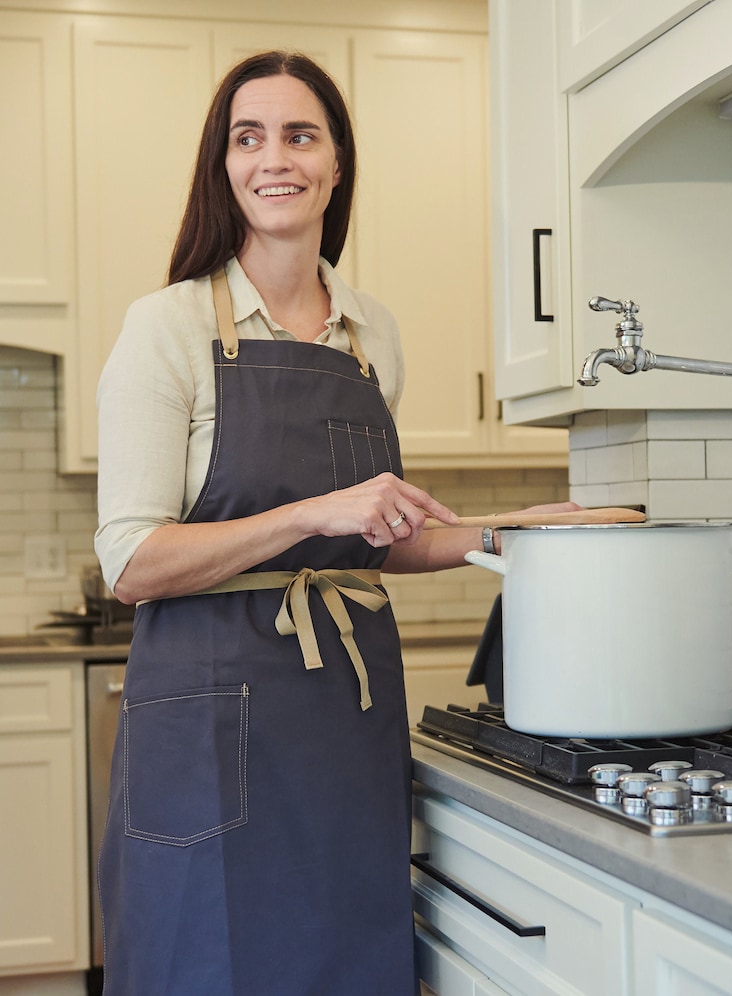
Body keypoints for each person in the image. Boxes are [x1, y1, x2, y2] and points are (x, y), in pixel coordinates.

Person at [94, 50, 577, 996]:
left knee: (345, 964)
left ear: (337, 162)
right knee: (206, 964)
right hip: (208, 719)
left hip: (342, 714)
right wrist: (315, 509)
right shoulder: (169, 326)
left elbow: (370, 538)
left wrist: (496, 531)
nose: (275, 158)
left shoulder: (371, 333)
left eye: (301, 135)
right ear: (222, 163)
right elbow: (131, 562)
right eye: (249, 137)